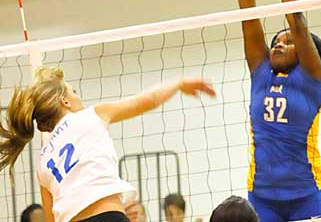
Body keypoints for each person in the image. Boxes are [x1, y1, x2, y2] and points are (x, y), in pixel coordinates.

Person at [210, 0, 321, 221]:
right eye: (277, 40)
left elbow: (298, 19)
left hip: (307, 197)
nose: (279, 43)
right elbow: (248, 15)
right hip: (262, 199)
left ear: (305, 52)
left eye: (289, 42)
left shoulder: (310, 79)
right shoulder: (261, 73)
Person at [0, 67, 215, 222]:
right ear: (63, 101)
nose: (77, 96)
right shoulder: (90, 116)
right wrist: (177, 84)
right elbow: (147, 99)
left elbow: (52, 219)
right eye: (73, 91)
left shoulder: (42, 163)